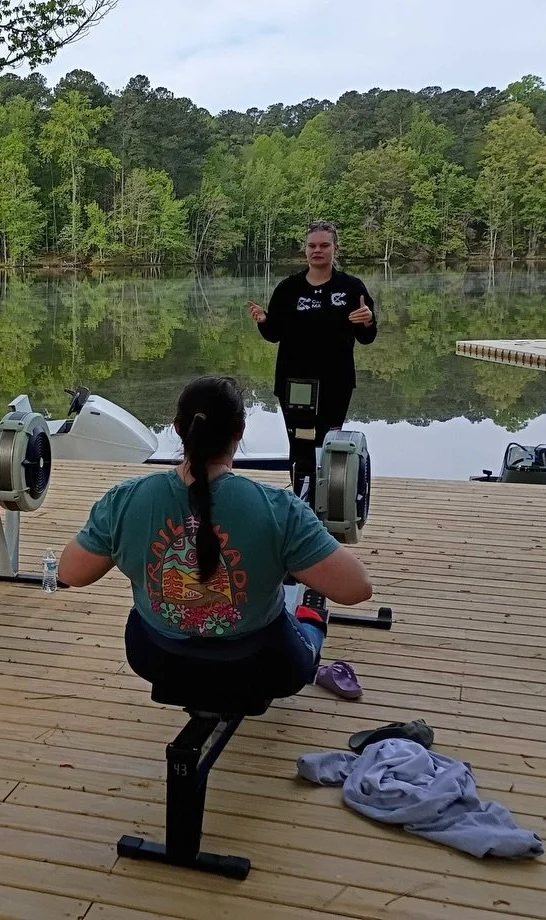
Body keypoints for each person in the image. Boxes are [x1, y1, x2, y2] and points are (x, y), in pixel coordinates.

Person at [57, 376, 373, 703]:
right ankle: (308, 618)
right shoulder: (281, 510)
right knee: (313, 612)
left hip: (157, 658)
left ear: (178, 429)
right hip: (266, 664)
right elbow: (357, 588)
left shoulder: (124, 501)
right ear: (239, 432)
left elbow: (70, 574)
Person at [246, 220, 377, 499]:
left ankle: (328, 505)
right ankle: (301, 506)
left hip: (336, 384)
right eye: (312, 246)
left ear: (335, 248)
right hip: (294, 383)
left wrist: (367, 321)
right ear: (305, 250)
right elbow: (274, 334)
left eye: (324, 245)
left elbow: (367, 338)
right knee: (301, 446)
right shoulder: (288, 289)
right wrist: (263, 320)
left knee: (328, 446)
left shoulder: (352, 288)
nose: (317, 250)